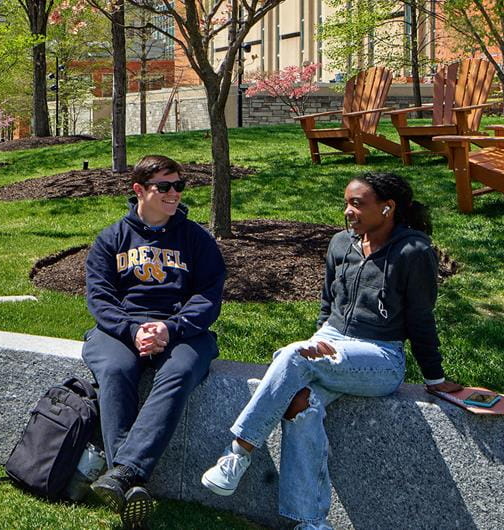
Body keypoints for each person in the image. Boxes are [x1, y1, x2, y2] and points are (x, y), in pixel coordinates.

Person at [199, 172, 460, 530]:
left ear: (388, 208)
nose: (348, 211)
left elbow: (421, 319)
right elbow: (327, 303)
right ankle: (311, 523)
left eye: (357, 203)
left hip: (380, 357)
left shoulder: (414, 252)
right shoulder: (341, 243)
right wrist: (320, 338)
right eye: (346, 203)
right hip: (333, 341)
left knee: (290, 356)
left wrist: (435, 378)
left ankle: (238, 454)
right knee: (301, 403)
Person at [83, 155, 226, 528]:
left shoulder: (197, 239)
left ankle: (122, 474)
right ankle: (130, 481)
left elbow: (209, 296)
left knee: (180, 369)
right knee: (115, 368)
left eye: (179, 185)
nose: (174, 193)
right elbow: (100, 298)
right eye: (164, 186)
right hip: (119, 330)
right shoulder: (111, 239)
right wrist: (133, 331)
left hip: (182, 331)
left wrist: (171, 328)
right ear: (139, 190)